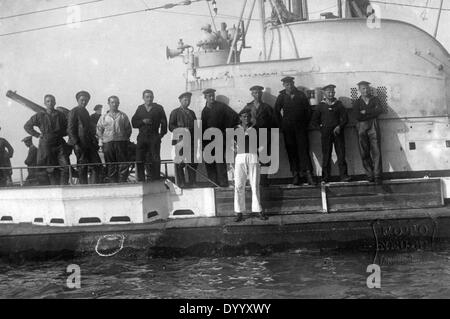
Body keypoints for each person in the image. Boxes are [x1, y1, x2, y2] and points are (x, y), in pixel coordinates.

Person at [274, 76, 315, 185]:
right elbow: (276, 111)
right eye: (287, 84)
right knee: (291, 152)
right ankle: (295, 175)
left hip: (301, 128)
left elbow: (308, 110)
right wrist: (281, 125)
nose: (290, 86)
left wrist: (305, 123)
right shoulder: (281, 97)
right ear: (284, 85)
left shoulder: (301, 95)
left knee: (304, 151)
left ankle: (309, 174)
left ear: (293, 83)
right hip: (288, 130)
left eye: (291, 84)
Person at [24, 94, 70, 185]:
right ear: (45, 103)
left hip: (59, 142)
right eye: (48, 101)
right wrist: (37, 135)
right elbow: (27, 126)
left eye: (52, 101)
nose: (50, 103)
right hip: (46, 143)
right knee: (50, 168)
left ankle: (64, 187)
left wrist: (63, 134)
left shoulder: (60, 115)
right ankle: (53, 188)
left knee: (65, 165)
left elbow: (67, 128)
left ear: (55, 102)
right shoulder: (39, 115)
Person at [311, 84, 351, 183]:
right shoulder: (320, 106)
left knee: (341, 154)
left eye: (332, 92)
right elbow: (314, 121)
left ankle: (344, 176)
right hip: (326, 134)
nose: (331, 94)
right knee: (326, 155)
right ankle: (325, 177)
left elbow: (345, 119)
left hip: (338, 133)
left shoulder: (339, 104)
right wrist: (322, 129)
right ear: (324, 93)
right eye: (328, 92)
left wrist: (340, 126)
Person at [201, 88, 240, 187]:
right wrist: (203, 143)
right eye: (209, 96)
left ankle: (223, 183)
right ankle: (213, 183)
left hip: (219, 138)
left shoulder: (221, 106)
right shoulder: (204, 111)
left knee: (220, 162)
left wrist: (226, 131)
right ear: (205, 97)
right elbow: (202, 128)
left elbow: (235, 116)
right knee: (209, 162)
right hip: (208, 140)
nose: (211, 97)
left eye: (213, 95)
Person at [233, 109, 267, 222]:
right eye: (243, 116)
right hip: (240, 158)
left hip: (253, 157)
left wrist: (260, 155)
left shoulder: (255, 129)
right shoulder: (235, 129)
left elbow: (262, 144)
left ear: (250, 117)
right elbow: (231, 146)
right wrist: (231, 161)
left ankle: (258, 210)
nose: (246, 118)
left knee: (255, 184)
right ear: (240, 118)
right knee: (238, 185)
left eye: (247, 116)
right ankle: (239, 212)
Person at [240, 85, 275, 186]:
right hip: (252, 136)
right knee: (252, 158)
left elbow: (273, 122)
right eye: (255, 93)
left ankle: (264, 180)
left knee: (264, 158)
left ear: (262, 94)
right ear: (252, 94)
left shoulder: (267, 107)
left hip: (264, 135)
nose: (257, 95)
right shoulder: (248, 107)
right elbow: (241, 118)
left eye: (259, 92)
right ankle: (253, 180)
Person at [131, 89, 167, 182]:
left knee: (155, 159)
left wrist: (160, 135)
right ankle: (141, 180)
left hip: (154, 137)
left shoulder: (159, 108)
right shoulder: (140, 108)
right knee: (139, 159)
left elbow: (164, 123)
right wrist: (142, 121)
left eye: (151, 97)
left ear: (153, 97)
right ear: (143, 98)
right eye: (147, 97)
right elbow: (134, 123)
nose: (149, 99)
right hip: (142, 137)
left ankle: (155, 179)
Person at [353, 81, 384, 184]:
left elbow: (379, 110)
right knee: (364, 151)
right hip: (361, 127)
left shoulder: (375, 99)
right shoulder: (357, 102)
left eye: (367, 88)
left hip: (373, 125)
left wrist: (366, 112)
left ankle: (377, 175)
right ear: (359, 90)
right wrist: (372, 112)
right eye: (363, 89)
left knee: (376, 151)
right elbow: (357, 116)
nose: (366, 90)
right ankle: (370, 175)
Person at [68, 90, 102, 184]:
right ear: (77, 100)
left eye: (86, 100)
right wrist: (76, 144)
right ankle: (83, 187)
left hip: (89, 144)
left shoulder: (85, 112)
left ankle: (95, 186)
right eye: (82, 100)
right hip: (80, 144)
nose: (84, 102)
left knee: (97, 165)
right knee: (82, 167)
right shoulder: (74, 111)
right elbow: (70, 130)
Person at [96, 96, 132, 183]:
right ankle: (113, 182)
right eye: (112, 102)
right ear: (108, 104)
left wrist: (124, 138)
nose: (115, 104)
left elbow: (128, 129)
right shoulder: (104, 117)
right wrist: (103, 138)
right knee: (110, 164)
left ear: (119, 103)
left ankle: (122, 181)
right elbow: (99, 129)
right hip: (108, 143)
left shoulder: (123, 116)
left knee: (123, 164)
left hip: (121, 143)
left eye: (116, 102)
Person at [169, 92, 198, 187]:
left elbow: (196, 127)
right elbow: (171, 126)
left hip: (191, 141)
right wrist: (181, 130)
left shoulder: (192, 113)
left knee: (192, 162)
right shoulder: (175, 112)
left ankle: (192, 182)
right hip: (179, 141)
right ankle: (181, 183)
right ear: (180, 100)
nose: (187, 101)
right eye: (185, 100)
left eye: (189, 100)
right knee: (179, 162)